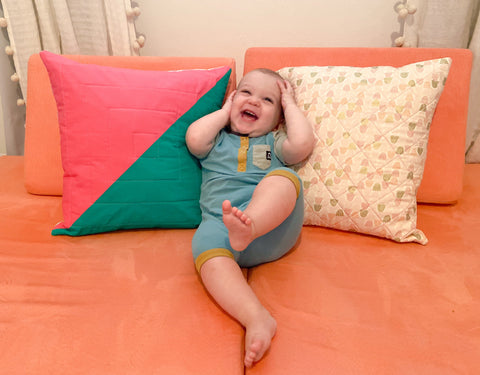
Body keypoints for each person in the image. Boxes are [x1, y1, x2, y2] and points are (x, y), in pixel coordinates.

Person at [186, 68, 315, 368]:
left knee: (285, 177)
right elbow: (194, 138)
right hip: (223, 228)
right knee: (202, 242)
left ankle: (250, 225)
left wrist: (291, 105)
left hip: (271, 230)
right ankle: (257, 318)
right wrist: (224, 111)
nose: (254, 101)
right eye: (245, 92)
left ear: (278, 117)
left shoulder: (274, 142)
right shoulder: (215, 143)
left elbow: (303, 144)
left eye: (268, 99)